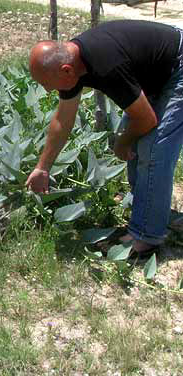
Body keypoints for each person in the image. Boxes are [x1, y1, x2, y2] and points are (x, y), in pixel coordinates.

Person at [25, 19, 183, 257]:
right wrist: (42, 168)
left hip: (178, 65)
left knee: (153, 148)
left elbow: (147, 121)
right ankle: (147, 208)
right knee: (138, 137)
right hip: (156, 68)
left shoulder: (107, 66)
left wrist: (122, 142)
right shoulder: (71, 64)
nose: (47, 90)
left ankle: (146, 236)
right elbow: (62, 121)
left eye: (46, 84)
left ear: (65, 71)